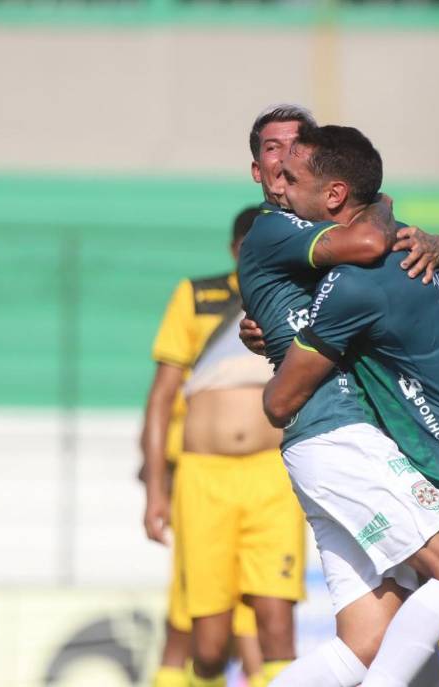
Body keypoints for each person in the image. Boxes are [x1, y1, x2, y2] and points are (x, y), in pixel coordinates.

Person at [255, 123, 439, 687]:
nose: (281, 188)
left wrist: (284, 348)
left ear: (334, 194)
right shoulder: (411, 246)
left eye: (293, 178)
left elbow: (282, 399)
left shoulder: (355, 284)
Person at [140, 207, 306, 687]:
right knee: (209, 646)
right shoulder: (197, 296)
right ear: (235, 250)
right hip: (203, 478)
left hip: (273, 477)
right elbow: (160, 399)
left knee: (276, 624)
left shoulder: (299, 299)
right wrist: (156, 490)